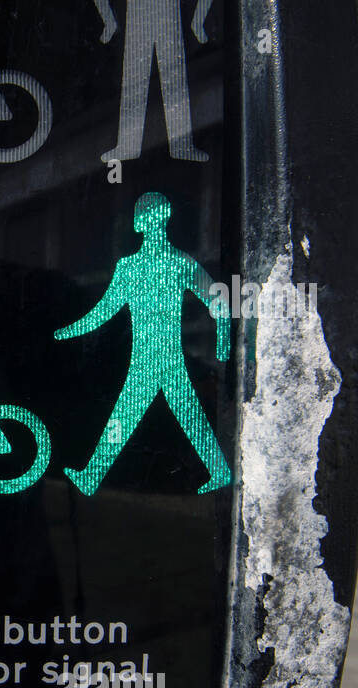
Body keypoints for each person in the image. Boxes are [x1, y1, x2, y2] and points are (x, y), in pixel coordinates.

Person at [54, 192, 231, 495]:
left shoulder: (177, 263)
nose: (153, 222)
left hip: (164, 360)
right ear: (141, 223)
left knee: (163, 417)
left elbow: (218, 300)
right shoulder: (133, 267)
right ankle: (92, 476)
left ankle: (93, 476)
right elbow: (105, 310)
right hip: (147, 361)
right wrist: (70, 331)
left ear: (161, 219)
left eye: (156, 216)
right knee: (137, 418)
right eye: (148, 216)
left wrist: (224, 342)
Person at [93, 0, 214, 163]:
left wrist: (198, 21)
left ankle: (182, 145)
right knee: (136, 79)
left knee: (173, 81)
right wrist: (108, 21)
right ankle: (129, 146)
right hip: (140, 14)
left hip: (167, 13)